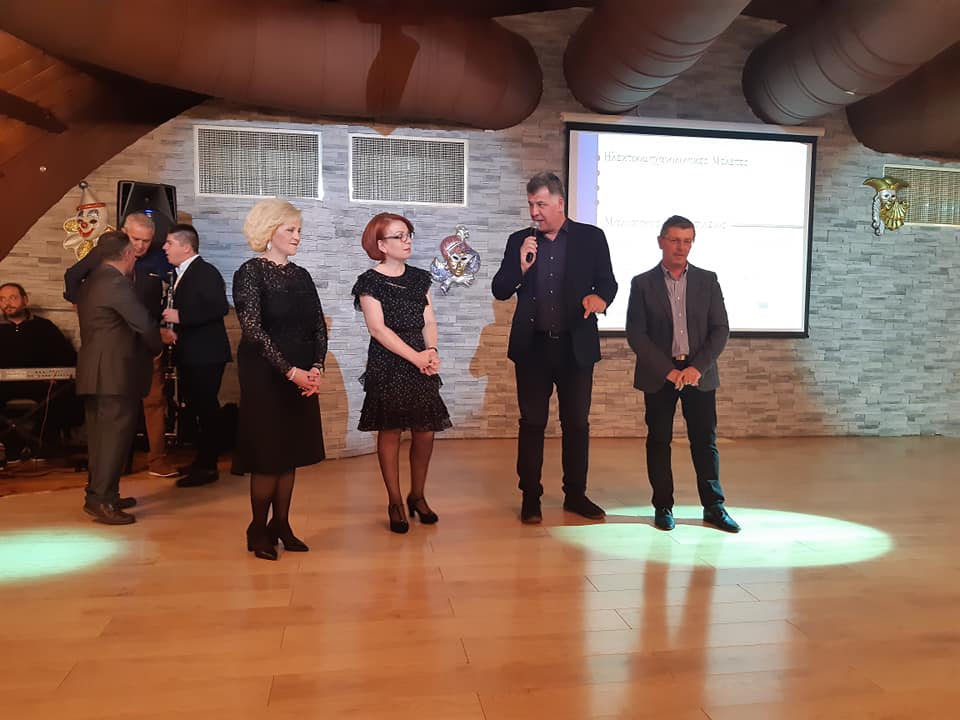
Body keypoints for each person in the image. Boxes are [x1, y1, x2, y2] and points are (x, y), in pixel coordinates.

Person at [492, 172, 617, 524]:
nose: (534, 212)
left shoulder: (591, 238)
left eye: (541, 204)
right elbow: (500, 289)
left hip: (575, 347)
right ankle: (530, 496)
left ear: (560, 203)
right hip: (533, 348)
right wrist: (520, 265)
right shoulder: (519, 241)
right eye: (531, 204)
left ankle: (575, 494)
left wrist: (600, 299)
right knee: (532, 422)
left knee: (576, 423)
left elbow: (608, 283)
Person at [625, 215, 740, 533]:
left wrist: (696, 368)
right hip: (658, 374)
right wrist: (668, 371)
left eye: (687, 241)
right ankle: (663, 506)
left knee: (705, 441)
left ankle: (714, 507)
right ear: (661, 241)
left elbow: (720, 329)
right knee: (659, 440)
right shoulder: (642, 283)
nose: (681, 247)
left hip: (698, 373)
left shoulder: (708, 280)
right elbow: (636, 334)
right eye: (675, 240)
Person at [232, 199, 327, 560]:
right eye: (290, 229)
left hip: (301, 371)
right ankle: (258, 528)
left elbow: (318, 326)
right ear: (269, 231)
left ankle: (281, 524)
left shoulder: (302, 275)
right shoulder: (249, 272)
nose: (297, 236)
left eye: (299, 230)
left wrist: (315, 367)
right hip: (265, 374)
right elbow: (254, 331)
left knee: (290, 452)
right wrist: (290, 372)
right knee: (269, 454)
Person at [353, 213, 451, 534]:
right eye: (399, 236)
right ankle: (394, 501)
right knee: (391, 430)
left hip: (421, 358)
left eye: (408, 234)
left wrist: (431, 351)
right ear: (381, 245)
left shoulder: (420, 278)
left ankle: (417, 495)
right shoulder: (369, 281)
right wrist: (416, 357)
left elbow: (429, 320)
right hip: (389, 360)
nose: (407, 241)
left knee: (425, 431)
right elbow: (377, 329)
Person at [64, 212, 178, 478]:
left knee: (153, 401)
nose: (140, 246)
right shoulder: (105, 254)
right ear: (124, 233)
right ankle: (116, 468)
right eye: (135, 239)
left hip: (147, 339)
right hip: (116, 344)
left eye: (146, 241)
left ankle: (157, 459)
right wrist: (80, 303)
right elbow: (72, 276)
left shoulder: (160, 258)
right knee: (117, 411)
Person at [75, 231, 162, 524]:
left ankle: (102, 494)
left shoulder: (90, 281)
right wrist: (157, 345)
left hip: (95, 370)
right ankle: (102, 501)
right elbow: (143, 323)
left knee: (100, 440)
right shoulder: (116, 282)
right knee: (113, 441)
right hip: (114, 372)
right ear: (126, 255)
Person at [161, 223, 232, 488]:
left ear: (186, 246)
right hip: (192, 353)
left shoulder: (205, 271)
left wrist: (181, 316)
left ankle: (208, 466)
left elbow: (219, 307)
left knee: (206, 409)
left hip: (206, 355)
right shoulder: (180, 274)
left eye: (169, 243)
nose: (164, 248)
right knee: (195, 409)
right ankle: (201, 460)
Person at [0, 283, 80, 455]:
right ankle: (13, 446)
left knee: (62, 397)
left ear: (25, 300)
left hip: (40, 383)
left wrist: (56, 375)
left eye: (13, 298)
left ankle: (40, 447)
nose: (7, 303)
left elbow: (67, 356)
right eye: (2, 299)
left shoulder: (45, 327)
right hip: (3, 385)